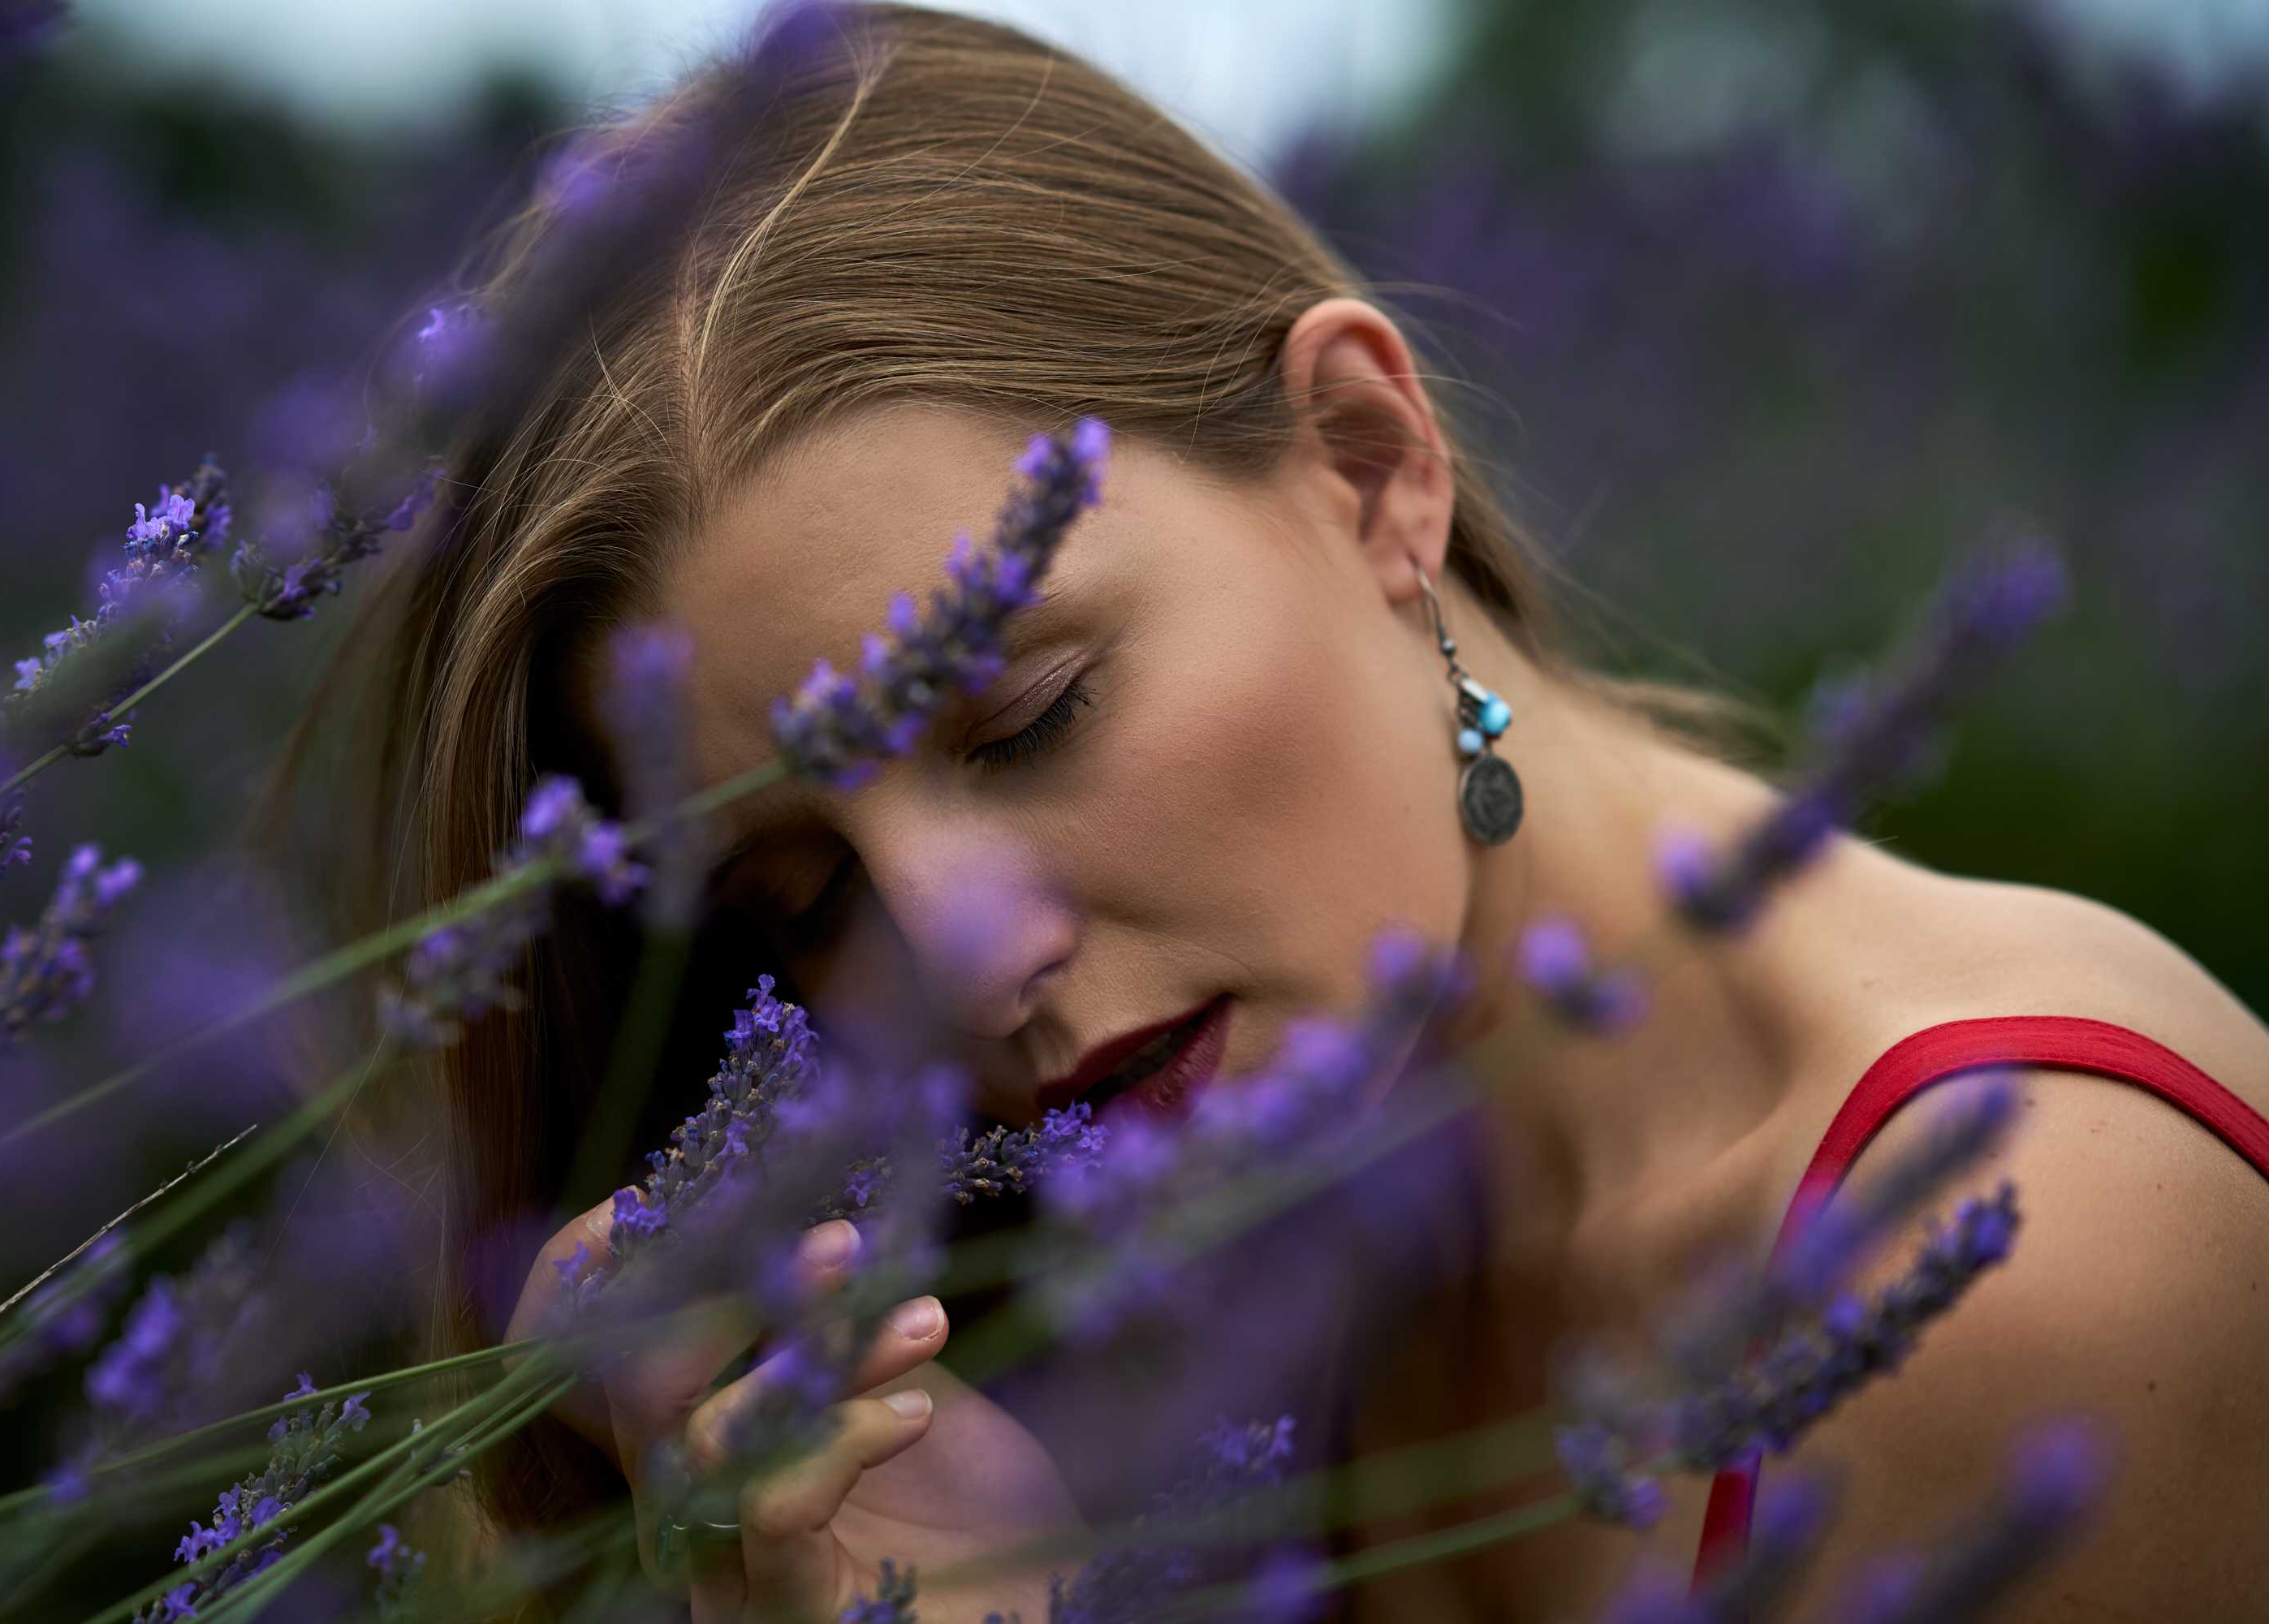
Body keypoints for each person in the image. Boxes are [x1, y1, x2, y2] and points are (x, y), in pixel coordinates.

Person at [291, 4, 2269, 1618]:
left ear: (1368, 458)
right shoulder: (1156, 1270)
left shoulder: (2049, 1259)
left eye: (1032, 716)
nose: (955, 960)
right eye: (799, 892)